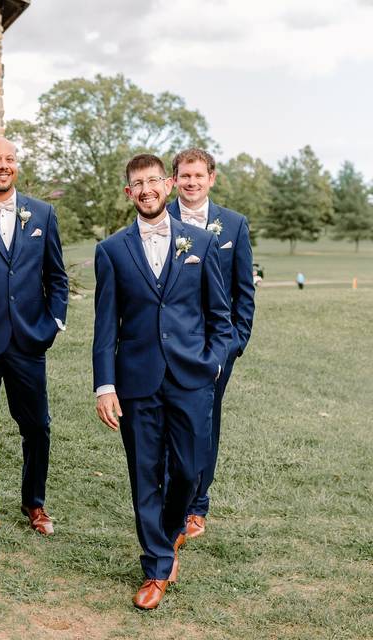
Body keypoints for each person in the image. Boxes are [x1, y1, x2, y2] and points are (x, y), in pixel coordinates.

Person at [92, 154, 232, 609]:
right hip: (137, 381)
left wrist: (212, 362)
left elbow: (221, 317)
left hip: (191, 378)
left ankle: (170, 533)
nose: (147, 189)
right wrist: (105, 385)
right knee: (145, 473)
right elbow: (105, 326)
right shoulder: (111, 250)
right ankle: (155, 564)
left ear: (168, 185)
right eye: (138, 183)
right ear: (129, 192)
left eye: (154, 180)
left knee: (190, 471)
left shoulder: (201, 243)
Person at [0, 136, 70, 547]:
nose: (2, 166)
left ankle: (34, 502)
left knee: (37, 426)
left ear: (16, 166)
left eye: (9, 159)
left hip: (28, 341)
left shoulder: (41, 213)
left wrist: (53, 322)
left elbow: (56, 277)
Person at [168, 148, 255, 539]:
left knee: (204, 423)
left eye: (198, 176)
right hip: (168, 345)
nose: (191, 182)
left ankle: (197, 505)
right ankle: (170, 499)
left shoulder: (233, 226)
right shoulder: (158, 219)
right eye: (185, 176)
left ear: (211, 178)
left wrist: (234, 344)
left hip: (215, 348)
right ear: (174, 179)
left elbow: (243, 291)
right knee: (167, 423)